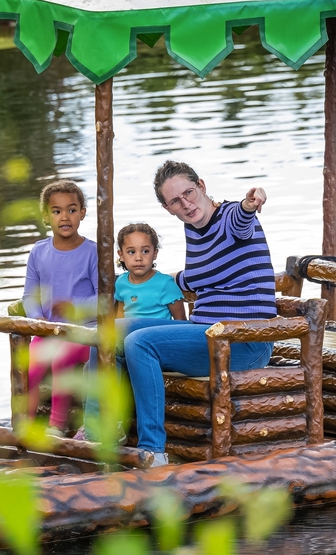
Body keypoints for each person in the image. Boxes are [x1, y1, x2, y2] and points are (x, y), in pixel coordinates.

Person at [83, 161, 275, 466]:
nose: (186, 204)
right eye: (175, 200)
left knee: (140, 343)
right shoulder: (193, 229)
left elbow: (241, 220)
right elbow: (200, 275)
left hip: (243, 342)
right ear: (166, 207)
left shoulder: (228, 217)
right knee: (106, 331)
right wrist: (175, 280)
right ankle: (99, 429)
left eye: (189, 192)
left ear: (201, 185)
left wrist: (250, 203)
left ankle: (153, 451)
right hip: (208, 333)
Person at [23, 180, 98, 435]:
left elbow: (106, 300)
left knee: (61, 358)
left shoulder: (93, 253)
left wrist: (75, 307)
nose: (64, 217)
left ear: (82, 213)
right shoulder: (38, 252)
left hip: (85, 333)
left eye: (72, 210)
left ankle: (56, 426)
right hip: (47, 332)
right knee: (28, 366)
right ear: (46, 216)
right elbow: (29, 295)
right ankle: (25, 423)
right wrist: (37, 318)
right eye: (56, 211)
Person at [114, 223, 186, 321]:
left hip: (157, 334)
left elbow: (180, 321)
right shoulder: (120, 282)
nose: (138, 258)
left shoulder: (166, 284)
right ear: (121, 255)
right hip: (129, 333)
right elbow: (120, 314)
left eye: (145, 251)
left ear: (155, 253)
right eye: (131, 252)